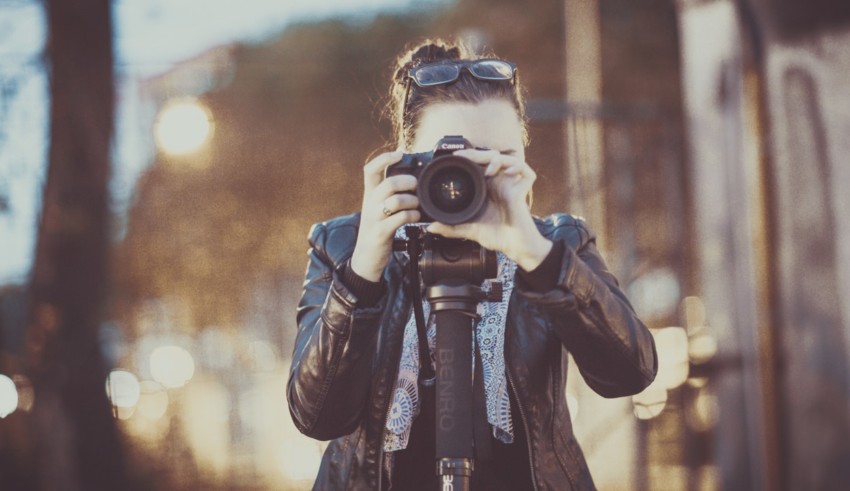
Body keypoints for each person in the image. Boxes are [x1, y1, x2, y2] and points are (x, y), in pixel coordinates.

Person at [287, 38, 658, 491]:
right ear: (405, 159)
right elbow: (316, 416)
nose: (470, 182)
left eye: (498, 160)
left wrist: (535, 256)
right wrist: (363, 271)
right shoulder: (343, 245)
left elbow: (630, 374)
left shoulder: (556, 244)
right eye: (453, 160)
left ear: (524, 159)